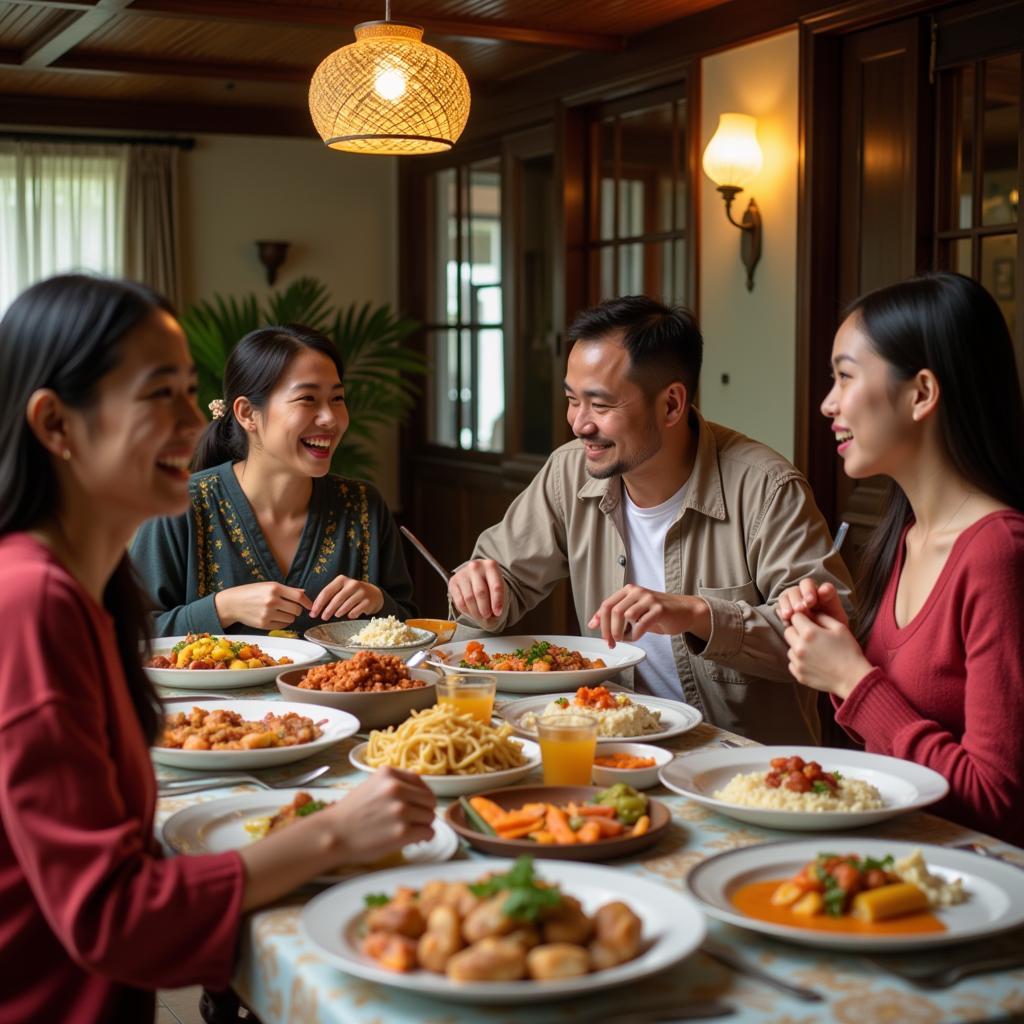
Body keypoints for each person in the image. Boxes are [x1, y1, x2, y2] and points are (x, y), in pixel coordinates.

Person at [0, 275, 436, 1023]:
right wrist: (334, 831)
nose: (189, 418)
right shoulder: (32, 602)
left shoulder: (76, 588)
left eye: (187, 390)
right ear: (55, 423)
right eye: (156, 393)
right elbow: (113, 918)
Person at [448, 296, 853, 743]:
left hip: (743, 769)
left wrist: (698, 615)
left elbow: (830, 632)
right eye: (571, 400)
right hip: (611, 744)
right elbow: (500, 578)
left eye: (600, 405)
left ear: (672, 405)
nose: (578, 424)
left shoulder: (765, 489)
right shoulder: (568, 471)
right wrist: (478, 586)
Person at [777, 272, 1024, 844]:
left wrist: (854, 678)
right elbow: (893, 747)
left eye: (844, 376)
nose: (827, 403)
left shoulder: (998, 553)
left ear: (921, 393)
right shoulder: (908, 536)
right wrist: (841, 653)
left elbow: (996, 804)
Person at [130, 323, 417, 637]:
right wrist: (221, 608)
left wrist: (378, 602)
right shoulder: (177, 505)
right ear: (247, 414)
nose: (331, 418)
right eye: (307, 399)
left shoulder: (364, 506)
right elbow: (128, 634)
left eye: (337, 398)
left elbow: (412, 628)